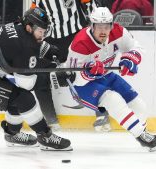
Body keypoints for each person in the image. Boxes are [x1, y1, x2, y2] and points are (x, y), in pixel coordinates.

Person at [0, 7, 72, 151]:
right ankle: (45, 136)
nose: (42, 36)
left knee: (14, 99)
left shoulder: (20, 28)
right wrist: (54, 75)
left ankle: (12, 134)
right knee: (24, 98)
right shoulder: (23, 46)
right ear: (29, 27)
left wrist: (54, 53)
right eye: (40, 32)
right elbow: (26, 84)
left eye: (44, 32)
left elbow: (35, 45)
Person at [57, 7, 156, 152]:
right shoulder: (80, 43)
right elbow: (74, 79)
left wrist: (130, 59)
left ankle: (141, 131)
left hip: (106, 75)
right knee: (113, 99)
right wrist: (89, 72)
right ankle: (141, 136)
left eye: (106, 26)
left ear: (111, 25)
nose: (103, 31)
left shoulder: (118, 32)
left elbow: (136, 47)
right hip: (83, 86)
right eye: (99, 27)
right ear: (92, 26)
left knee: (140, 107)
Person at [31, 0, 111, 132]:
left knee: (92, 72)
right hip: (51, 40)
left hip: (76, 36)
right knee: (41, 76)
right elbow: (35, 16)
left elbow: (93, 9)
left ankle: (101, 113)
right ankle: (50, 119)